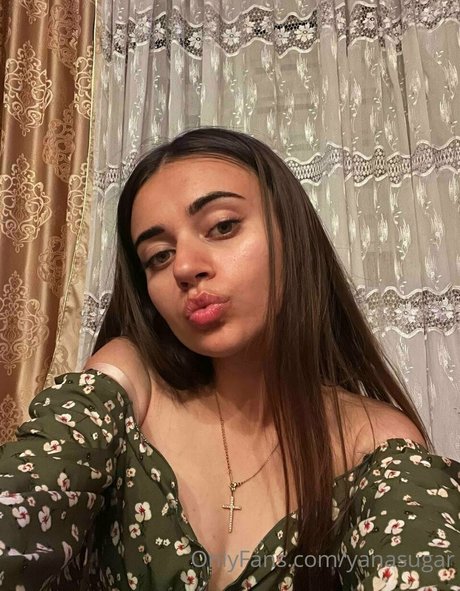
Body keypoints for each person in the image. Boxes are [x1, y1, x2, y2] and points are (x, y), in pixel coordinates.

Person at [0, 127, 459, 591]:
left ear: (291, 234)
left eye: (222, 227)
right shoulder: (127, 385)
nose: (184, 267)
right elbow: (25, 499)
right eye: (159, 256)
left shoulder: (374, 441)